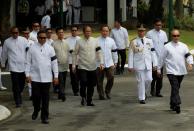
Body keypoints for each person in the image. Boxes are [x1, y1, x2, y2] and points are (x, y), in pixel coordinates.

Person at [25, 30, 59, 124]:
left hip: (47, 78)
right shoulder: (31, 48)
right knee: (36, 97)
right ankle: (36, 109)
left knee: (45, 98)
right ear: (37, 38)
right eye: (41, 37)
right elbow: (27, 62)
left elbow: (54, 63)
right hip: (35, 77)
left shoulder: (50, 48)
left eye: (44, 38)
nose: (43, 39)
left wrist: (56, 76)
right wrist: (27, 75)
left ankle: (44, 117)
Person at [157, 29, 193, 114]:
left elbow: (188, 55)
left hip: (181, 71)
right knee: (175, 86)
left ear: (179, 36)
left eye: (177, 36)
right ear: (171, 36)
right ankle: (177, 104)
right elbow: (161, 58)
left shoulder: (184, 46)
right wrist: (158, 69)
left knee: (176, 88)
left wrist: (190, 63)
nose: (176, 37)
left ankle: (172, 104)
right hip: (171, 71)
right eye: (174, 36)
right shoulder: (167, 46)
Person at [72, 25, 103, 106]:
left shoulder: (95, 41)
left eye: (89, 31)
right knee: (83, 82)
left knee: (91, 84)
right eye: (86, 31)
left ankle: (89, 100)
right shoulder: (79, 41)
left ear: (91, 32)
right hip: (82, 66)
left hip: (92, 66)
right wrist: (74, 65)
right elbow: (75, 54)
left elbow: (99, 52)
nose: (88, 33)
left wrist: (101, 63)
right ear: (84, 32)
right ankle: (83, 97)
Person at [128, 24, 157, 104]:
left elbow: (153, 53)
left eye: (143, 31)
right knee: (141, 81)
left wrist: (155, 64)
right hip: (138, 64)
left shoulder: (149, 41)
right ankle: (142, 98)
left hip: (148, 64)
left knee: (149, 79)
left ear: (145, 31)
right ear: (138, 31)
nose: (141, 32)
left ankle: (143, 91)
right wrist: (130, 66)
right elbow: (130, 54)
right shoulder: (133, 42)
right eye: (140, 31)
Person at [1, 27, 28, 107]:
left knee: (22, 83)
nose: (15, 34)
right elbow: (4, 53)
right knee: (15, 83)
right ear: (11, 33)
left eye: (16, 33)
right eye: (13, 33)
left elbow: (28, 50)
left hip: (23, 65)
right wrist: (2, 63)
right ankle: (18, 101)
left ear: (18, 33)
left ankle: (18, 93)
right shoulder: (7, 42)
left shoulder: (23, 40)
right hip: (13, 66)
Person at [146, 18, 168, 97]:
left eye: (160, 25)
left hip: (161, 58)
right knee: (152, 76)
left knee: (160, 75)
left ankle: (158, 91)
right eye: (157, 25)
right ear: (154, 25)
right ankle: (152, 89)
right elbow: (147, 45)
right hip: (152, 57)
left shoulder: (164, 33)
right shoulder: (149, 33)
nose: (159, 26)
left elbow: (166, 45)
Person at [96, 25, 118, 100]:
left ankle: (107, 91)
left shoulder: (111, 40)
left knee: (111, 77)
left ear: (109, 32)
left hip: (109, 63)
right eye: (103, 31)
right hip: (99, 64)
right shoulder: (96, 40)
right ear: (101, 31)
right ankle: (101, 94)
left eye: (106, 31)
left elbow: (114, 52)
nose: (105, 32)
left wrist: (115, 62)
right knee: (99, 80)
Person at [53, 27, 71, 101]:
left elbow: (69, 52)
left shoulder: (66, 43)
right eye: (59, 32)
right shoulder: (53, 43)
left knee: (63, 80)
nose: (61, 34)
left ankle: (60, 93)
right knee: (61, 80)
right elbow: (52, 55)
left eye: (62, 32)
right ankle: (63, 95)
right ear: (57, 34)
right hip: (57, 65)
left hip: (65, 65)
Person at [66, 25, 80, 96]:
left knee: (79, 76)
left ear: (77, 31)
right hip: (71, 61)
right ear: (71, 31)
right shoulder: (67, 40)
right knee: (74, 76)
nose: (74, 31)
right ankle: (75, 90)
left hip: (80, 61)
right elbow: (67, 51)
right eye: (73, 30)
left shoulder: (80, 39)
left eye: (75, 30)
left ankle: (78, 87)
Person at [23, 29, 34, 99]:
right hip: (23, 62)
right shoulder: (21, 41)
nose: (26, 35)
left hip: (31, 62)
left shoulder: (32, 42)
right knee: (26, 77)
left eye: (28, 33)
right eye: (25, 33)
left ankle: (31, 95)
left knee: (31, 78)